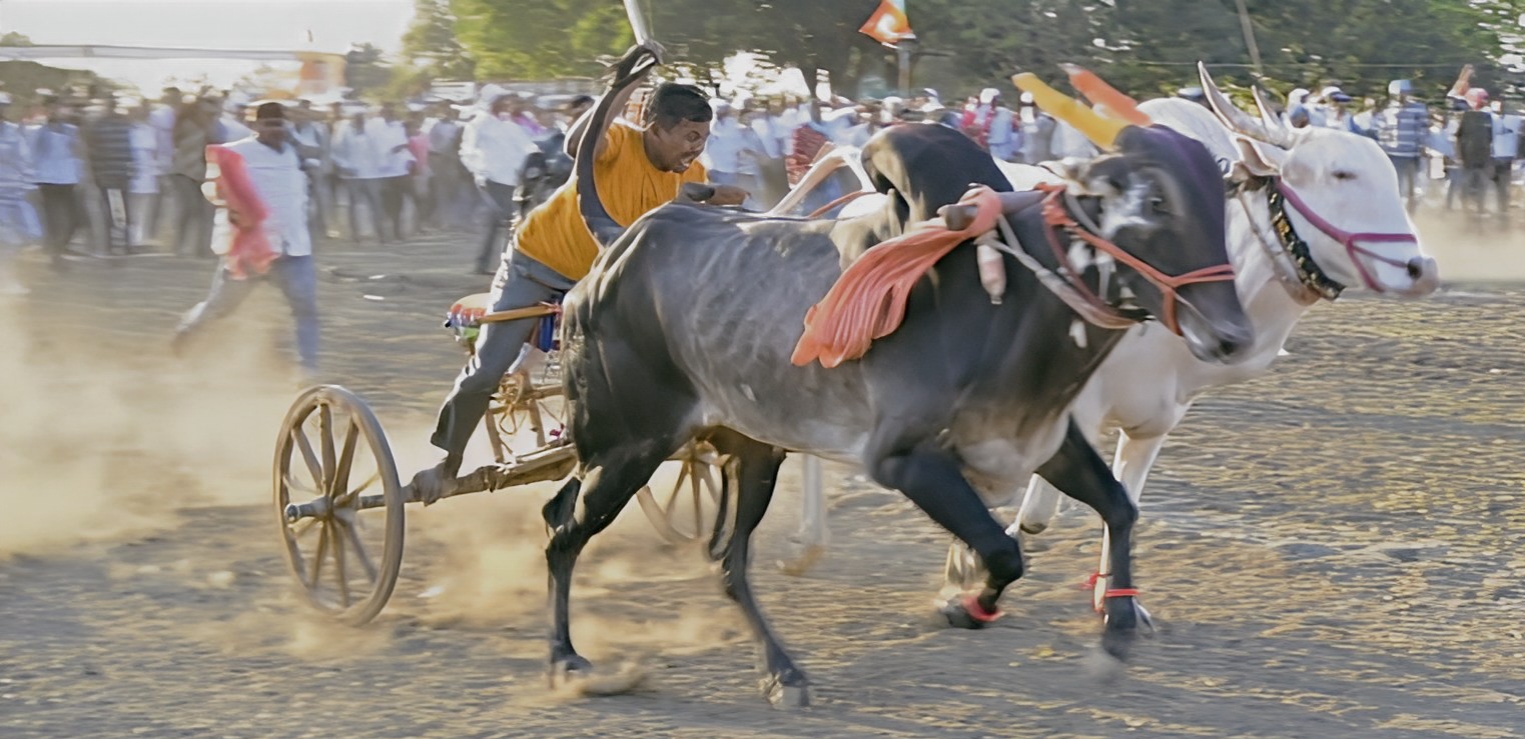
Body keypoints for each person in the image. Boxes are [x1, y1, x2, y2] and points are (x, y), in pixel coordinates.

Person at [410, 51, 748, 501]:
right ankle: (447, 462)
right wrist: (621, 86)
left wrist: (720, 201)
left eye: (702, 138)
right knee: (487, 371)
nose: (695, 148)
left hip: (596, 282)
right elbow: (576, 146)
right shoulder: (618, 143)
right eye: (688, 136)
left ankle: (585, 435)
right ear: (655, 129)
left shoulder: (693, 175)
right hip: (536, 264)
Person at [172, 102, 320, 378]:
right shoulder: (236, 152)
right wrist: (230, 207)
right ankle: (188, 331)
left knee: (306, 310)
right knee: (221, 308)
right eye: (269, 124)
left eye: (280, 124)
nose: (276, 130)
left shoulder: (293, 153)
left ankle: (307, 371)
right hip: (249, 250)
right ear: (255, 126)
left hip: (294, 248)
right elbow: (213, 188)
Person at [461, 89, 539, 273]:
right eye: (502, 100)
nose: (506, 104)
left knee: (495, 222)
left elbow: (528, 146)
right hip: (492, 179)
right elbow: (467, 151)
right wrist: (479, 172)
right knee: (511, 219)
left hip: (513, 179)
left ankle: (486, 263)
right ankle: (509, 264)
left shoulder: (508, 125)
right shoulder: (478, 124)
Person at [29, 95, 85, 269]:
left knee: (74, 219)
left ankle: (59, 248)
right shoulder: (38, 131)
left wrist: (82, 175)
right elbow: (32, 156)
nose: (55, 111)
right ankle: (56, 256)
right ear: (46, 110)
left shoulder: (71, 130)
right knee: (54, 220)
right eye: (51, 108)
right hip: (47, 180)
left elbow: (79, 153)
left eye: (58, 107)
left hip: (68, 179)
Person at [0, 92, 39, 294]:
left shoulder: (13, 132)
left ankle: (7, 279)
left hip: (10, 194)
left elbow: (25, 162)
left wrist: (27, 187)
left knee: (13, 239)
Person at [1374, 79, 1430, 212]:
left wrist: (1421, 147)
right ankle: (1395, 211)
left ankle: (1410, 213)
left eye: (1404, 93)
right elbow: (1382, 132)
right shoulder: (1387, 111)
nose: (1401, 96)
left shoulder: (1418, 109)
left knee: (1412, 187)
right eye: (1398, 94)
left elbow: (1423, 130)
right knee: (1396, 185)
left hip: (1411, 154)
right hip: (1393, 154)